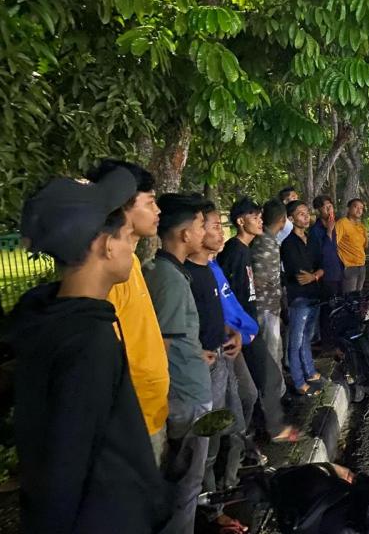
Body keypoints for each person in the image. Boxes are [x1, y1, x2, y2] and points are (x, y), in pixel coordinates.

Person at [10, 168, 168, 533]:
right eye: (125, 234)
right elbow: (63, 471)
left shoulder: (50, 318)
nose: (130, 244)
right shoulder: (87, 342)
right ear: (106, 245)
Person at [86, 159, 170, 467]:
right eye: (150, 202)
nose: (157, 211)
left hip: (152, 408)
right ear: (123, 206)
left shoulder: (130, 263)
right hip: (133, 420)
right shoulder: (106, 275)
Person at [144, 193, 212, 534]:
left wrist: (196, 351)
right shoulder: (169, 278)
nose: (204, 232)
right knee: (187, 481)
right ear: (185, 234)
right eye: (200, 225)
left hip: (188, 383)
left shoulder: (164, 270)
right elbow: (163, 346)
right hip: (186, 393)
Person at [185, 200, 249, 534]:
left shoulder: (209, 269)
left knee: (236, 425)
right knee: (206, 446)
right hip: (206, 368)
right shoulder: (181, 275)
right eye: (208, 225)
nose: (216, 233)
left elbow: (215, 314)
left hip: (223, 357)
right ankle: (212, 508)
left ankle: (229, 485)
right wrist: (194, 352)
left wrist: (232, 331)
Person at [251, 199, 303, 441]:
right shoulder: (264, 244)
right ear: (282, 220)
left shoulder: (268, 242)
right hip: (264, 310)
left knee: (276, 353)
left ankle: (280, 398)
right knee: (270, 359)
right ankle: (271, 410)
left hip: (271, 308)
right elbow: (262, 280)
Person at [280, 200, 325, 396]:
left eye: (307, 213)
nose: (306, 217)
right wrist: (315, 274)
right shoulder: (288, 244)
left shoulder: (312, 239)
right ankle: (298, 381)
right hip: (299, 298)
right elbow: (300, 275)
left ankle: (310, 371)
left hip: (315, 294)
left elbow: (321, 265)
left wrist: (315, 275)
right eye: (301, 214)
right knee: (296, 340)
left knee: (307, 336)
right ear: (291, 219)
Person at [217, 196, 262, 323]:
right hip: (239, 321)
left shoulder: (246, 247)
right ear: (241, 221)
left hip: (248, 317)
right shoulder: (234, 249)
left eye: (260, 217)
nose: (260, 221)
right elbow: (226, 288)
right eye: (255, 218)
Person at [310, 195, 345, 345]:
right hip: (326, 275)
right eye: (326, 207)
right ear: (319, 210)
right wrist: (329, 232)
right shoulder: (315, 231)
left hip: (339, 271)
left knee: (340, 307)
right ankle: (328, 342)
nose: (330, 210)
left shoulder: (336, 226)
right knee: (328, 309)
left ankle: (339, 339)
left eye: (331, 206)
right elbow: (322, 252)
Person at [335, 198, 368, 293]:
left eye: (361, 208)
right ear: (348, 209)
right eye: (355, 207)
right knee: (349, 297)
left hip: (361, 265)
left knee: (358, 295)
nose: (359, 210)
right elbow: (333, 244)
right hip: (349, 267)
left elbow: (364, 246)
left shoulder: (361, 226)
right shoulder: (342, 223)